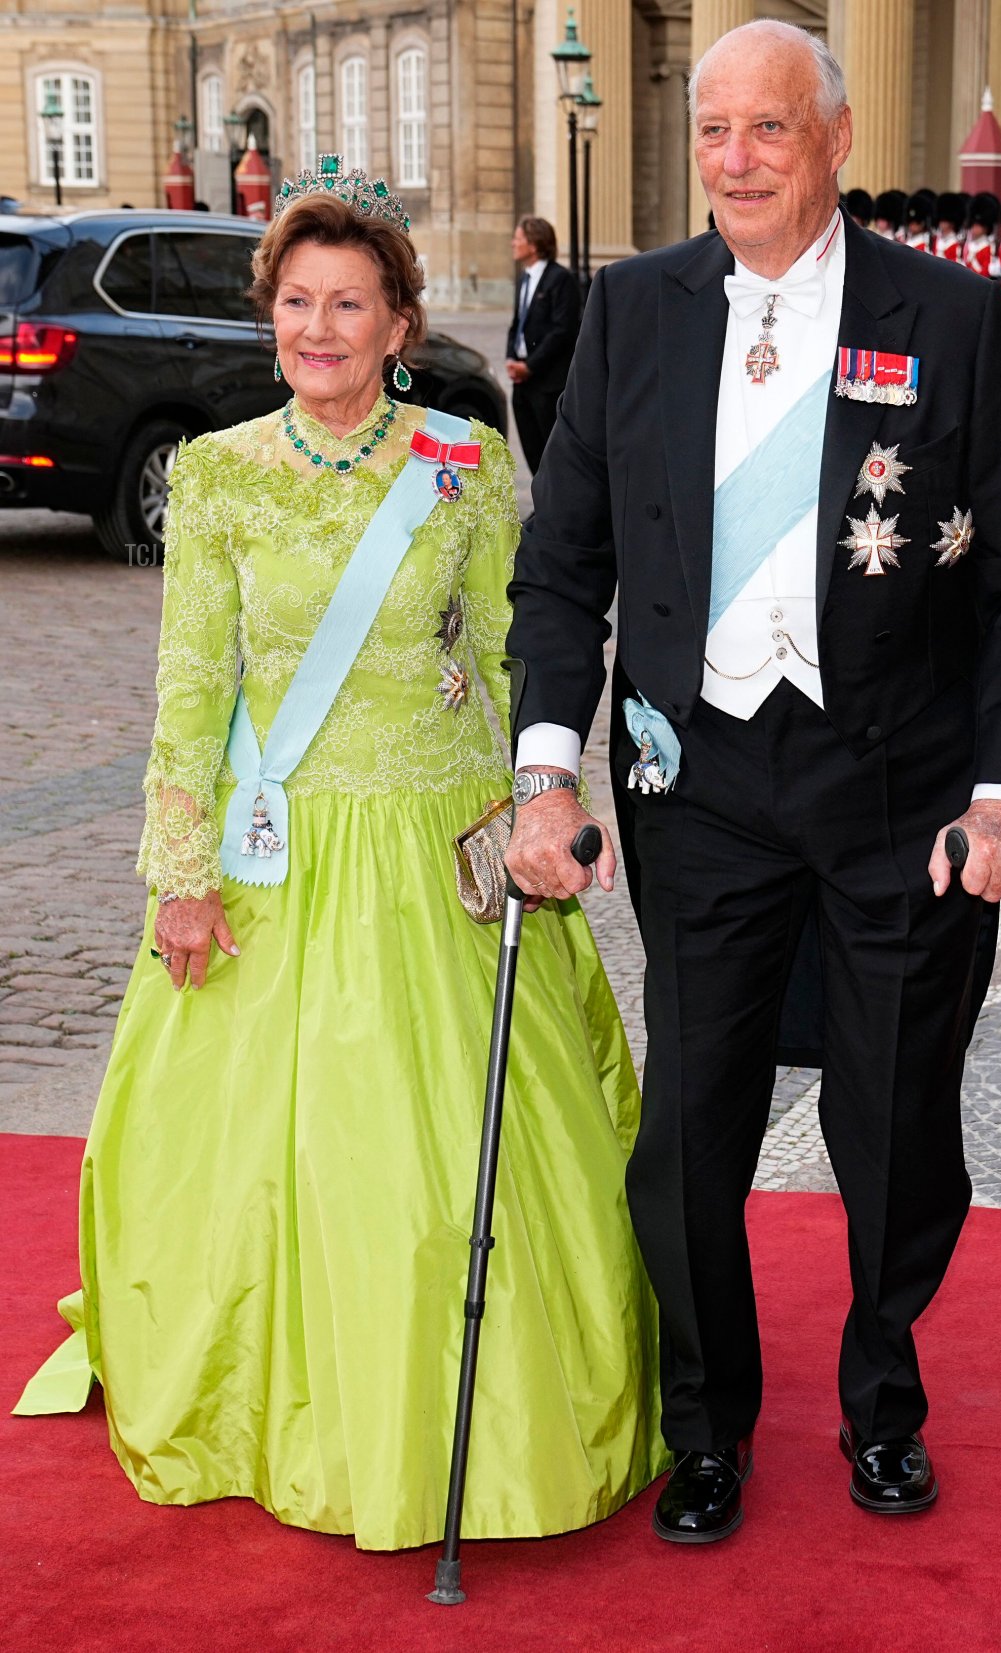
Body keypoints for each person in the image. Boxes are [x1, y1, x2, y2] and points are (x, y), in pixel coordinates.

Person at [15, 162, 667, 1549]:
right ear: (273, 321)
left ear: (397, 324)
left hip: (436, 851)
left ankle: (469, 1411)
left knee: (448, 1174)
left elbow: (518, 652)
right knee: (258, 1159)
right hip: (274, 859)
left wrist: (544, 801)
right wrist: (177, 871)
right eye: (297, 303)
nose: (320, 328)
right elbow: (191, 689)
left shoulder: (465, 466)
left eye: (349, 304)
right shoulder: (215, 478)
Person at [504, 19, 1001, 1544]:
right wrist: (544, 773)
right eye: (714, 133)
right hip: (698, 782)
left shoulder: (948, 320)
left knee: (894, 1123)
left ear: (832, 143)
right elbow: (561, 568)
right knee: (689, 1120)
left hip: (897, 780)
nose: (737, 161)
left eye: (768, 130)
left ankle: (882, 1394)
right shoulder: (629, 315)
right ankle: (709, 1427)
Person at [504, 215, 582, 474]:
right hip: (523, 383)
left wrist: (530, 365)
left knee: (552, 452)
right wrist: (511, 358)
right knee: (532, 450)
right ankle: (541, 508)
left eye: (518, 238)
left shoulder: (560, 279)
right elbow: (517, 323)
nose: (513, 243)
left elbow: (563, 331)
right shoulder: (524, 278)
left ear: (534, 244)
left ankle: (554, 509)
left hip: (547, 383)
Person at [962, 192, 1000, 278]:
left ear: (986, 227)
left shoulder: (987, 247)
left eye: (978, 225)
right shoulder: (969, 245)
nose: (974, 229)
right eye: (973, 225)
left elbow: (985, 272)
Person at [903, 189, 937, 254]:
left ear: (923, 223)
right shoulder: (906, 241)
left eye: (917, 222)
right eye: (910, 222)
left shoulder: (928, 244)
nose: (913, 226)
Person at [934, 191, 966, 262]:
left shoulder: (956, 243)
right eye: (941, 220)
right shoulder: (935, 241)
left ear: (952, 223)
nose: (941, 224)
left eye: (945, 221)